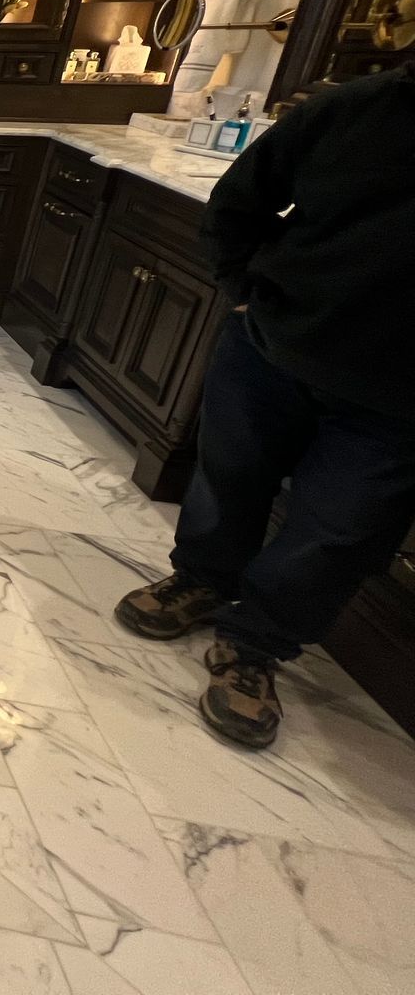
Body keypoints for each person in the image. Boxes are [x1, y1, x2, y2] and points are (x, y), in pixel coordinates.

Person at [115, 65, 415, 749]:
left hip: (400, 396)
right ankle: (200, 580)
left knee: (337, 532)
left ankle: (255, 648)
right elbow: (238, 202)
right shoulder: (353, 111)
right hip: (273, 345)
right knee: (228, 475)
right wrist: (243, 293)